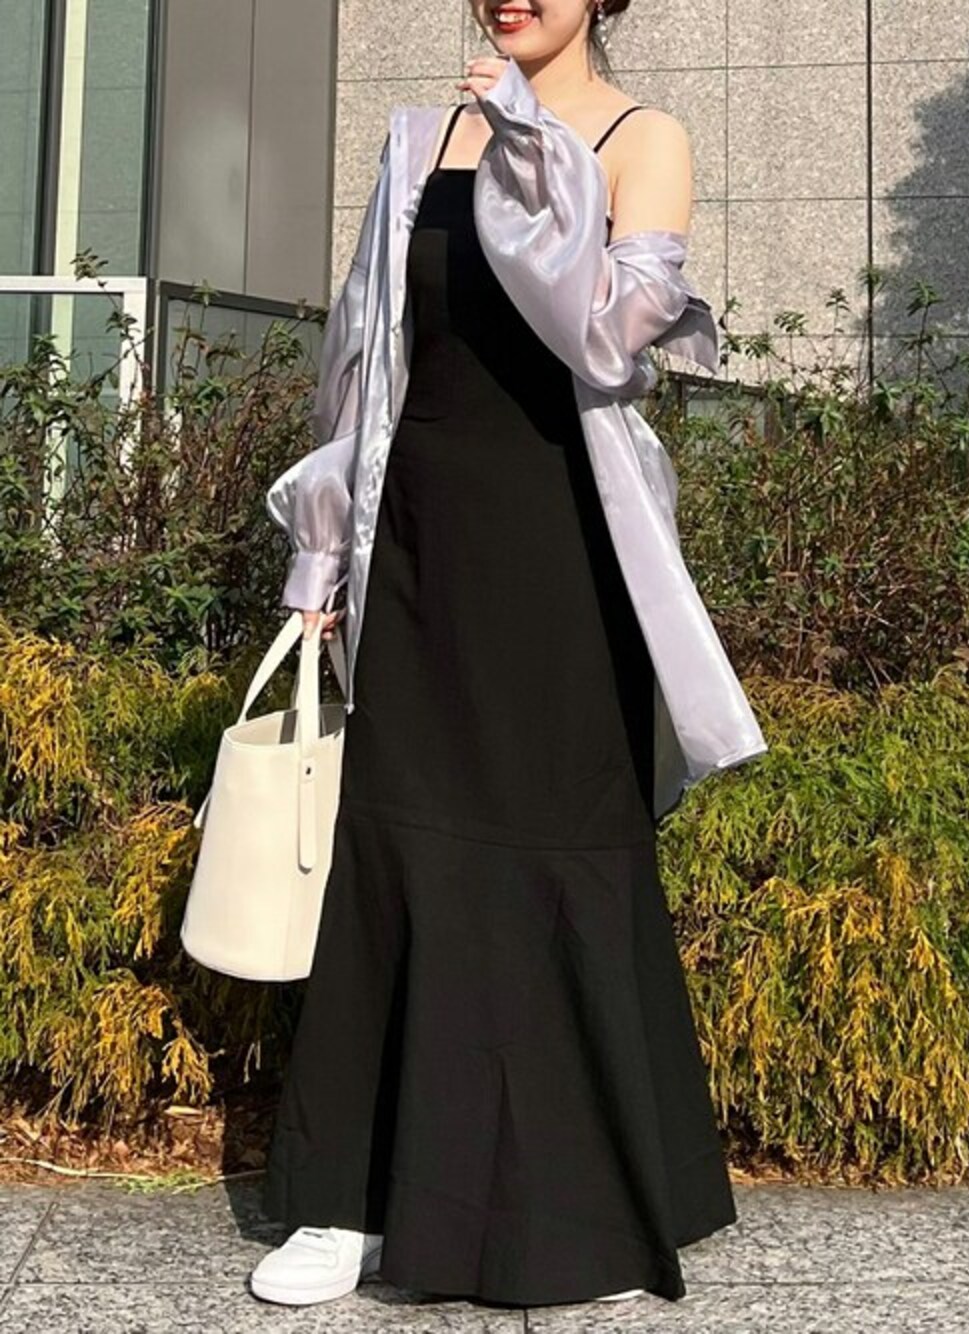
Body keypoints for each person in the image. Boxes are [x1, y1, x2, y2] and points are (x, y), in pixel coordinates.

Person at [250, 0, 743, 1310]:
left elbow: (606, 336)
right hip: (418, 538)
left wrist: (531, 152)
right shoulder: (420, 138)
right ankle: (346, 1201)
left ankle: (587, 1202)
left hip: (567, 554)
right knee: (393, 843)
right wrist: (318, 564)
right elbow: (362, 362)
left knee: (558, 852)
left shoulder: (643, 139)